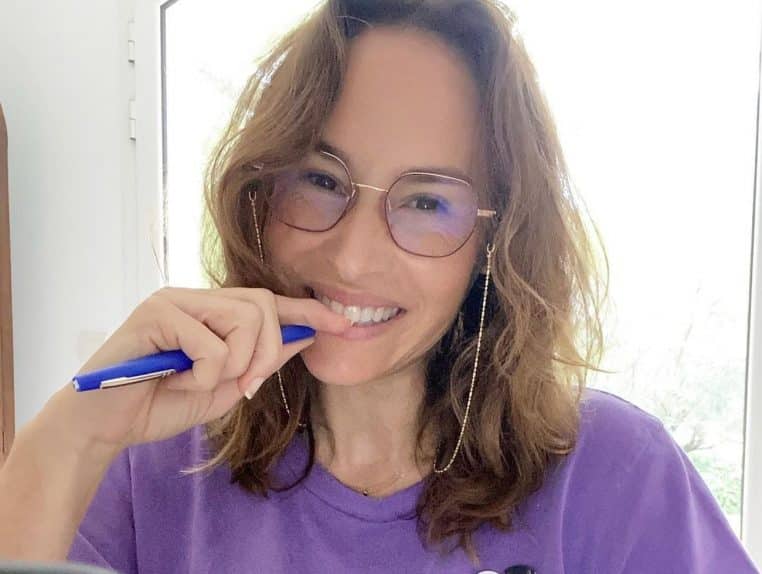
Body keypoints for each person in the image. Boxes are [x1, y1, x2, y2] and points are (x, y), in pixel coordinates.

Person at [0, 0, 757, 572]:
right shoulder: (153, 463)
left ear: (494, 243)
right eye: (322, 179)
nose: (354, 258)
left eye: (426, 202)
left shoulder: (616, 475)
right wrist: (70, 437)